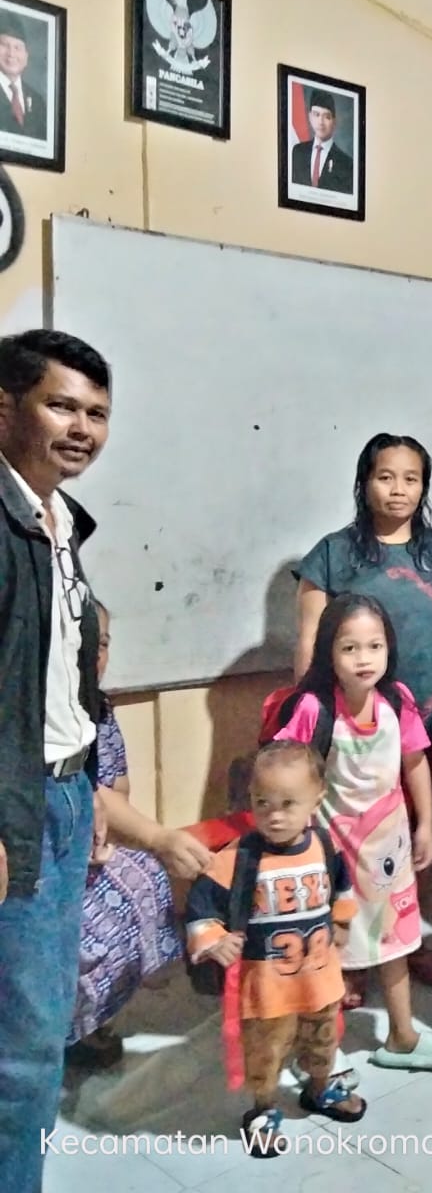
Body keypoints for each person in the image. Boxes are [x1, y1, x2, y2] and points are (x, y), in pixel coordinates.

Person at [295, 433, 432, 993]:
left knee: (414, 836)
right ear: (364, 482)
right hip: (351, 726)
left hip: (428, 721)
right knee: (345, 839)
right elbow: (309, 639)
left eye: (411, 479)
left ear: (424, 486)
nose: (399, 489)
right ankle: (346, 954)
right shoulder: (332, 553)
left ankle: (405, 938)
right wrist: (309, 718)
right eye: (385, 476)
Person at [0, 329, 111, 1192]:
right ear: (4, 408)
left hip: (65, 793)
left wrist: (93, 782)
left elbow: (64, 677)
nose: (82, 429)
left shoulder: (59, 519)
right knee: (26, 1048)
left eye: (97, 413)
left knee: (35, 1027)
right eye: (61, 406)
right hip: (17, 806)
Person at [276, 593, 432, 1072]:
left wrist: (425, 824)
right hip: (331, 860)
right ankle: (320, 1054)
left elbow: (415, 762)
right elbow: (283, 774)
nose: (364, 659)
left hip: (389, 854)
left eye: (374, 646)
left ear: (389, 649)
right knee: (326, 951)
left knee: (395, 944)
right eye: (349, 647)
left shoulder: (397, 700)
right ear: (328, 651)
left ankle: (402, 1035)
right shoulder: (313, 708)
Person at [186, 740, 366, 1158]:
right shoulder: (240, 857)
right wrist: (214, 940)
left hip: (319, 976)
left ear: (316, 801)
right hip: (267, 987)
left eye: (288, 803)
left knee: (323, 1037)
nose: (274, 815)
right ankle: (263, 1107)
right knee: (265, 1050)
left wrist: (341, 921)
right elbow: (201, 905)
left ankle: (319, 1086)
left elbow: (341, 886)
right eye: (262, 803)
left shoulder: (324, 846)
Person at [65, 602, 212, 1069]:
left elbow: (116, 788)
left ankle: (89, 1021)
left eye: (104, 644)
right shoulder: (33, 709)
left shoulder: (100, 708)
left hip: (90, 844)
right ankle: (50, 1031)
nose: (95, 654)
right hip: (42, 851)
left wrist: (115, 837)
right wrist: (156, 838)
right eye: (85, 642)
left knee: (145, 876)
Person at [290, 88, 354, 193]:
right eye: (316, 114)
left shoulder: (346, 163)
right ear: (310, 117)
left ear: (334, 122)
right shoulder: (297, 152)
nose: (321, 122)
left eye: (327, 117)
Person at [0, 14, 47, 140]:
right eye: (4, 45)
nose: (11, 54)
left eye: (17, 47)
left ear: (26, 56)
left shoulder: (38, 102)